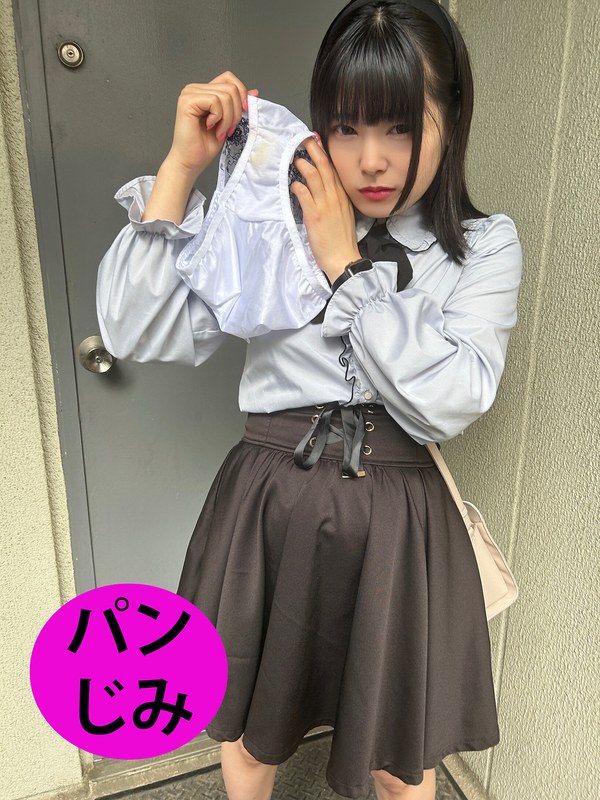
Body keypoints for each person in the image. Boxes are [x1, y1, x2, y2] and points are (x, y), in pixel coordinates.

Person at [96, 1, 523, 798]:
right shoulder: (270, 222)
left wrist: (343, 264)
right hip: (269, 502)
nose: (371, 159)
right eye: (347, 127)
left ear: (453, 118)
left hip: (399, 521)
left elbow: (450, 400)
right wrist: (182, 168)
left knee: (400, 757)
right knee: (249, 729)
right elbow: (136, 326)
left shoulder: (484, 245)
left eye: (401, 127)